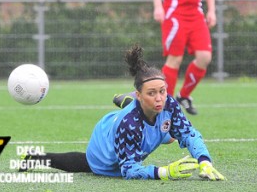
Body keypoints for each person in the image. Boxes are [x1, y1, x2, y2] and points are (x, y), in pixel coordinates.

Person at [21, 44, 226, 181]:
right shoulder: (129, 125)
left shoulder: (169, 104)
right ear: (140, 94)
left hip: (142, 122)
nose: (159, 98)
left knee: (173, 134)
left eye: (162, 92)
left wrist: (204, 161)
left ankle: (132, 105)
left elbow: (190, 134)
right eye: (152, 93)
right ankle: (34, 158)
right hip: (106, 145)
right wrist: (164, 172)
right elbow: (129, 170)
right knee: (89, 164)